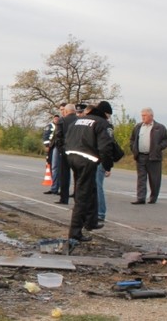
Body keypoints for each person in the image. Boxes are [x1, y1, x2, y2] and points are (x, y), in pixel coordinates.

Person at [64, 101, 115, 242]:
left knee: (91, 190)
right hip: (87, 160)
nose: (109, 118)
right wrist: (107, 165)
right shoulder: (102, 123)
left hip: (72, 157)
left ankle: (91, 222)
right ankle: (75, 232)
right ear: (105, 113)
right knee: (83, 195)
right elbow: (106, 147)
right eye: (109, 115)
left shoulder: (80, 120)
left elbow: (67, 138)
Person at [129, 107, 167, 204]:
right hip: (140, 156)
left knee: (154, 179)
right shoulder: (138, 127)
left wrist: (158, 147)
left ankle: (153, 197)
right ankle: (141, 198)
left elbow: (166, 140)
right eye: (142, 115)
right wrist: (134, 148)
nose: (142, 117)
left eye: (144, 115)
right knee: (141, 178)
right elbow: (132, 139)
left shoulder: (159, 127)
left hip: (153, 157)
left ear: (151, 116)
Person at [52, 103, 78, 204]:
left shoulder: (62, 120)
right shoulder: (79, 120)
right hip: (78, 152)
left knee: (64, 176)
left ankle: (64, 198)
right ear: (75, 111)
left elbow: (58, 137)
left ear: (66, 111)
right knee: (77, 176)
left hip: (66, 151)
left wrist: (61, 150)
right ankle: (77, 196)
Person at [42, 113, 60, 195]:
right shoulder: (49, 126)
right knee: (51, 165)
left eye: (57, 119)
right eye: (55, 119)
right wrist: (47, 145)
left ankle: (56, 186)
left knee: (56, 167)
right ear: (53, 119)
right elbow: (45, 136)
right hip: (51, 147)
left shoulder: (60, 125)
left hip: (57, 147)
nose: (56, 120)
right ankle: (54, 186)